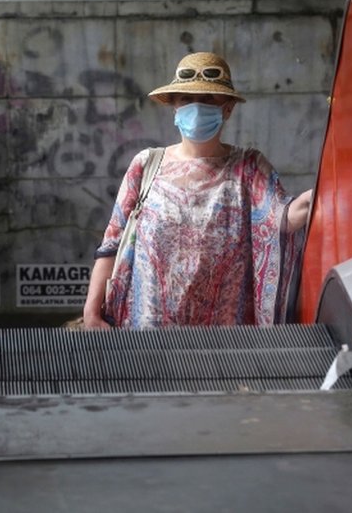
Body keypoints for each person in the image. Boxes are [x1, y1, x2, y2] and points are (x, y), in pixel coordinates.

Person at [82, 52, 312, 329]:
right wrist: (92, 312)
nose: (196, 107)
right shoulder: (146, 165)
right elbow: (112, 243)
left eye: (208, 100)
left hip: (223, 339)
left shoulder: (248, 167)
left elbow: (283, 218)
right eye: (186, 99)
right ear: (174, 108)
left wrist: (333, 191)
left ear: (228, 109)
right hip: (147, 331)